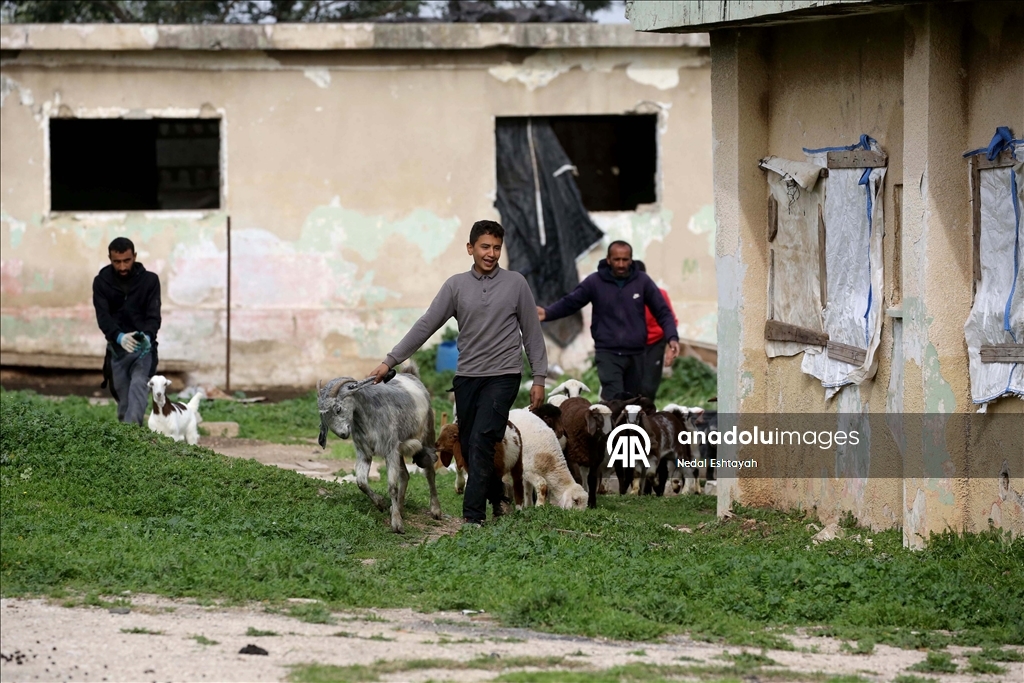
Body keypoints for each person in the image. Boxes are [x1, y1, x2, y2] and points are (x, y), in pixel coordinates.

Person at [368, 220, 547, 528]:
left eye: (496, 248)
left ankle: (473, 517)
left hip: (503, 375)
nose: (491, 254)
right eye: (484, 247)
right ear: (470, 248)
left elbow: (532, 333)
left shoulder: (516, 283)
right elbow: (426, 325)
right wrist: (390, 360)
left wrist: (539, 378)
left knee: (481, 439)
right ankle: (498, 492)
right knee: (470, 443)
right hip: (467, 378)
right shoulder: (455, 286)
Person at [537, 241, 679, 401]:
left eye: (625, 260)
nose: (621, 264)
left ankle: (629, 427)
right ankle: (611, 425)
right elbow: (571, 302)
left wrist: (672, 338)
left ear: (631, 260)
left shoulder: (642, 282)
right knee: (614, 398)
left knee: (633, 402)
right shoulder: (595, 282)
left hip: (636, 354)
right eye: (616, 259)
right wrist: (547, 313)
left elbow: (663, 312)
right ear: (609, 259)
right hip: (608, 353)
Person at [93, 236, 162, 425]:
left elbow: (153, 316)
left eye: (127, 261)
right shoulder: (101, 283)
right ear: (110, 259)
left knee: (139, 384)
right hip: (118, 350)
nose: (122, 267)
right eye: (117, 262)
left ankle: (132, 435)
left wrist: (147, 336)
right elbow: (103, 317)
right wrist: (119, 336)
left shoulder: (150, 281)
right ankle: (127, 439)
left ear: (135, 257)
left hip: (144, 350)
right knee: (124, 401)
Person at [636, 261, 679, 401]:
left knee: (648, 388)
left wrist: (670, 347)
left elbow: (670, 321)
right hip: (632, 345)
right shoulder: (623, 297)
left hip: (655, 343)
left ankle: (646, 417)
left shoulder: (659, 294)